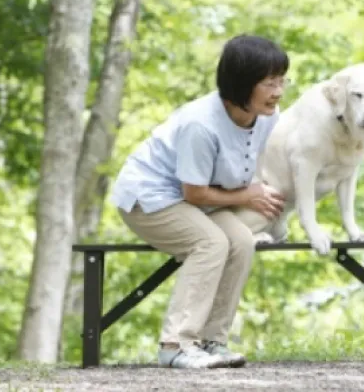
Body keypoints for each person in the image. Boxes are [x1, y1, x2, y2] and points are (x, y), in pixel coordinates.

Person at [110, 34, 289, 369]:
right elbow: (193, 193)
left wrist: (258, 193)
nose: (278, 91)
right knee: (210, 243)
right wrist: (247, 196)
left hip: (199, 196)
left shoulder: (267, 116)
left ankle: (212, 342)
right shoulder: (200, 124)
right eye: (268, 83)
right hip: (148, 196)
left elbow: (253, 159)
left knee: (240, 242)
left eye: (281, 81)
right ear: (241, 84)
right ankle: (175, 345)